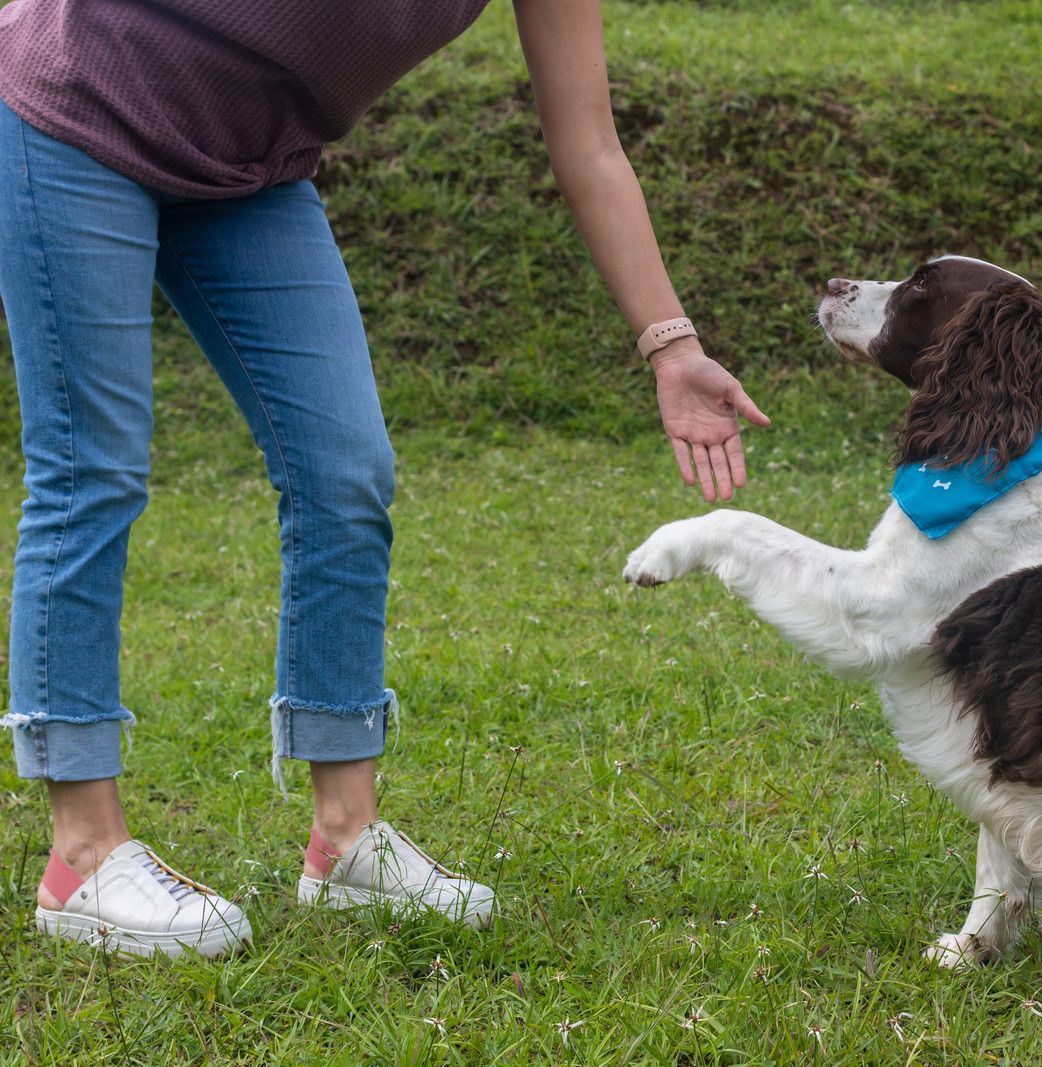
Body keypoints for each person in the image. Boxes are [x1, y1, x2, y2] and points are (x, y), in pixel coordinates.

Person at [0, 0, 768, 958]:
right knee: (92, 467)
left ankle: (346, 841)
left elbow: (593, 146)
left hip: (251, 169)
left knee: (345, 471)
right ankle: (82, 856)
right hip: (80, 111)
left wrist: (671, 343)